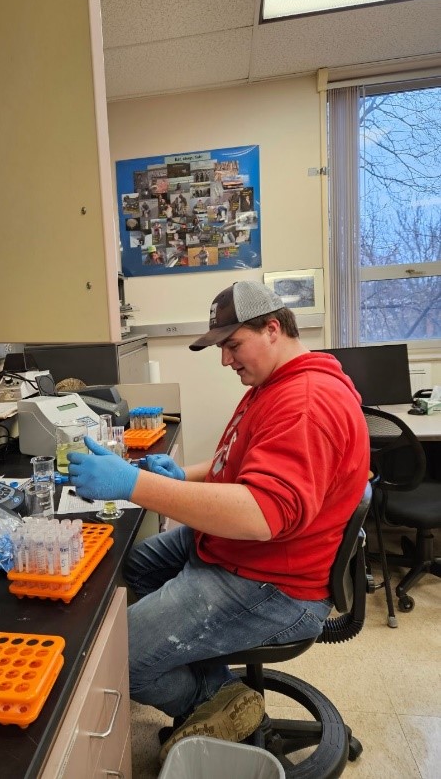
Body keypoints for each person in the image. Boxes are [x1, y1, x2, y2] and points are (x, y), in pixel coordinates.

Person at [67, 281, 370, 762]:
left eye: (232, 345)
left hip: (271, 583)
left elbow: (262, 514)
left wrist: (133, 484)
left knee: (117, 660)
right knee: (137, 563)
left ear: (273, 328)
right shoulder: (275, 383)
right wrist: (182, 475)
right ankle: (205, 671)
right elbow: (248, 464)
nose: (226, 361)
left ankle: (217, 704)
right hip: (237, 551)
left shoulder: (306, 402)